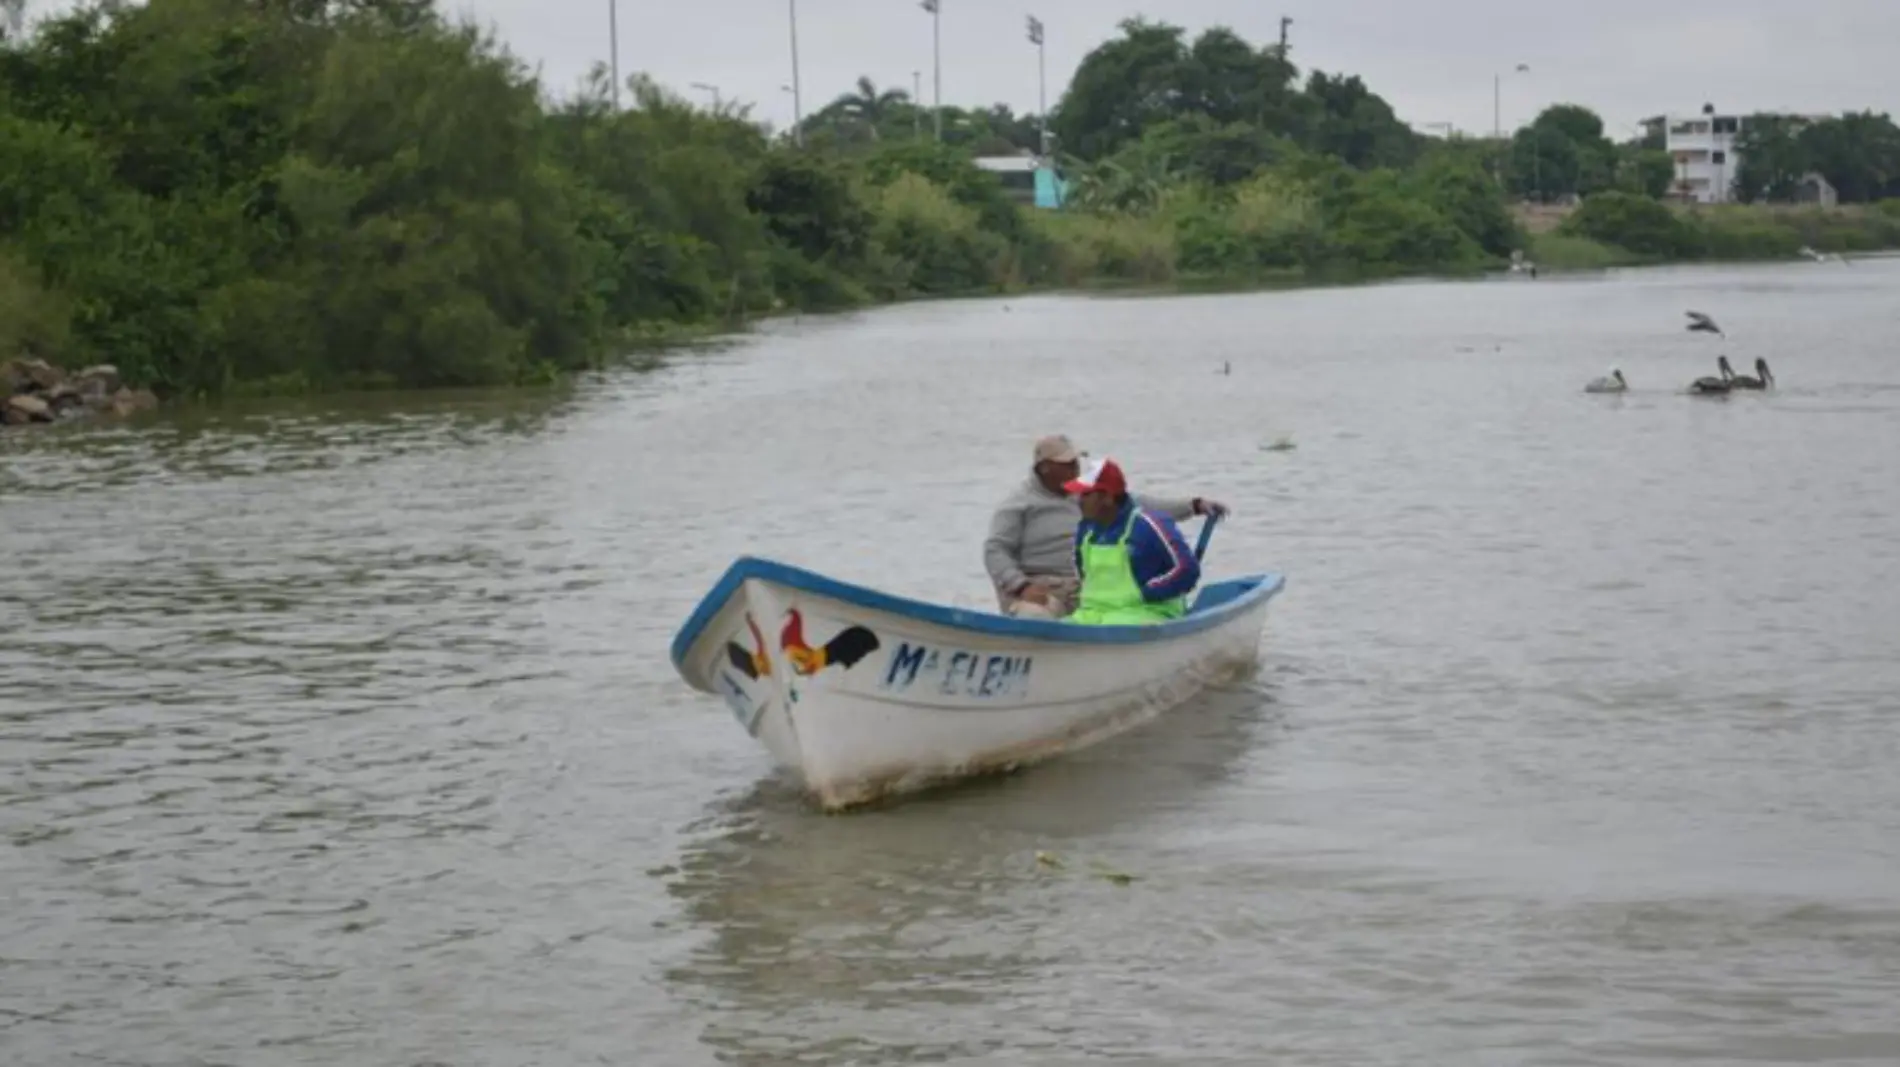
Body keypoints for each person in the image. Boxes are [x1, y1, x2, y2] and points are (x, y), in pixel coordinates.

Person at [983, 434, 1227, 619]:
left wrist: (1193, 505)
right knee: (1033, 617)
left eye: (1076, 460)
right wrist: (1021, 585)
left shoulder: (1093, 495)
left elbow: (1139, 504)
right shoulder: (1017, 505)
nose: (1075, 467)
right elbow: (995, 551)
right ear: (1044, 468)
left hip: (1085, 589)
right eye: (1067, 463)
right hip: (1041, 589)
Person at [1064, 456, 1202, 626]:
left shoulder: (1148, 525)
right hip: (1094, 614)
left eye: (1086, 494)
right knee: (1062, 626)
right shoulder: (1086, 531)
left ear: (1107, 497)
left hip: (1147, 613)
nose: (1079, 501)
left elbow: (1188, 570)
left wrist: (1147, 593)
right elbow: (1083, 573)